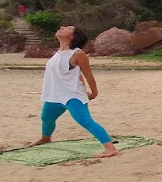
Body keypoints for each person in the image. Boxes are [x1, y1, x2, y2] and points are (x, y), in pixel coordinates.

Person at [30, 25, 119, 157]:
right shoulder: (59, 52)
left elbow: (88, 74)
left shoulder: (78, 53)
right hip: (55, 94)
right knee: (46, 118)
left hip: (72, 95)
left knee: (84, 120)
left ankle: (110, 148)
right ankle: (46, 138)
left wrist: (94, 93)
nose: (62, 27)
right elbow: (76, 74)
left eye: (67, 28)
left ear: (73, 36)